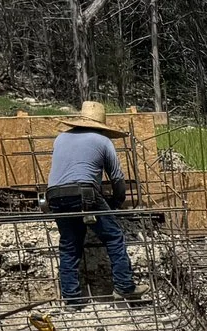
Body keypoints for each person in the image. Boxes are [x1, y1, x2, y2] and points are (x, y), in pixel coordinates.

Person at [46, 101, 141, 307]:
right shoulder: (102, 140)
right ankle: (124, 287)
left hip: (55, 195)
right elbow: (117, 179)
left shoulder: (61, 138)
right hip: (85, 193)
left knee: (69, 244)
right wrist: (116, 202)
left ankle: (72, 299)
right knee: (114, 236)